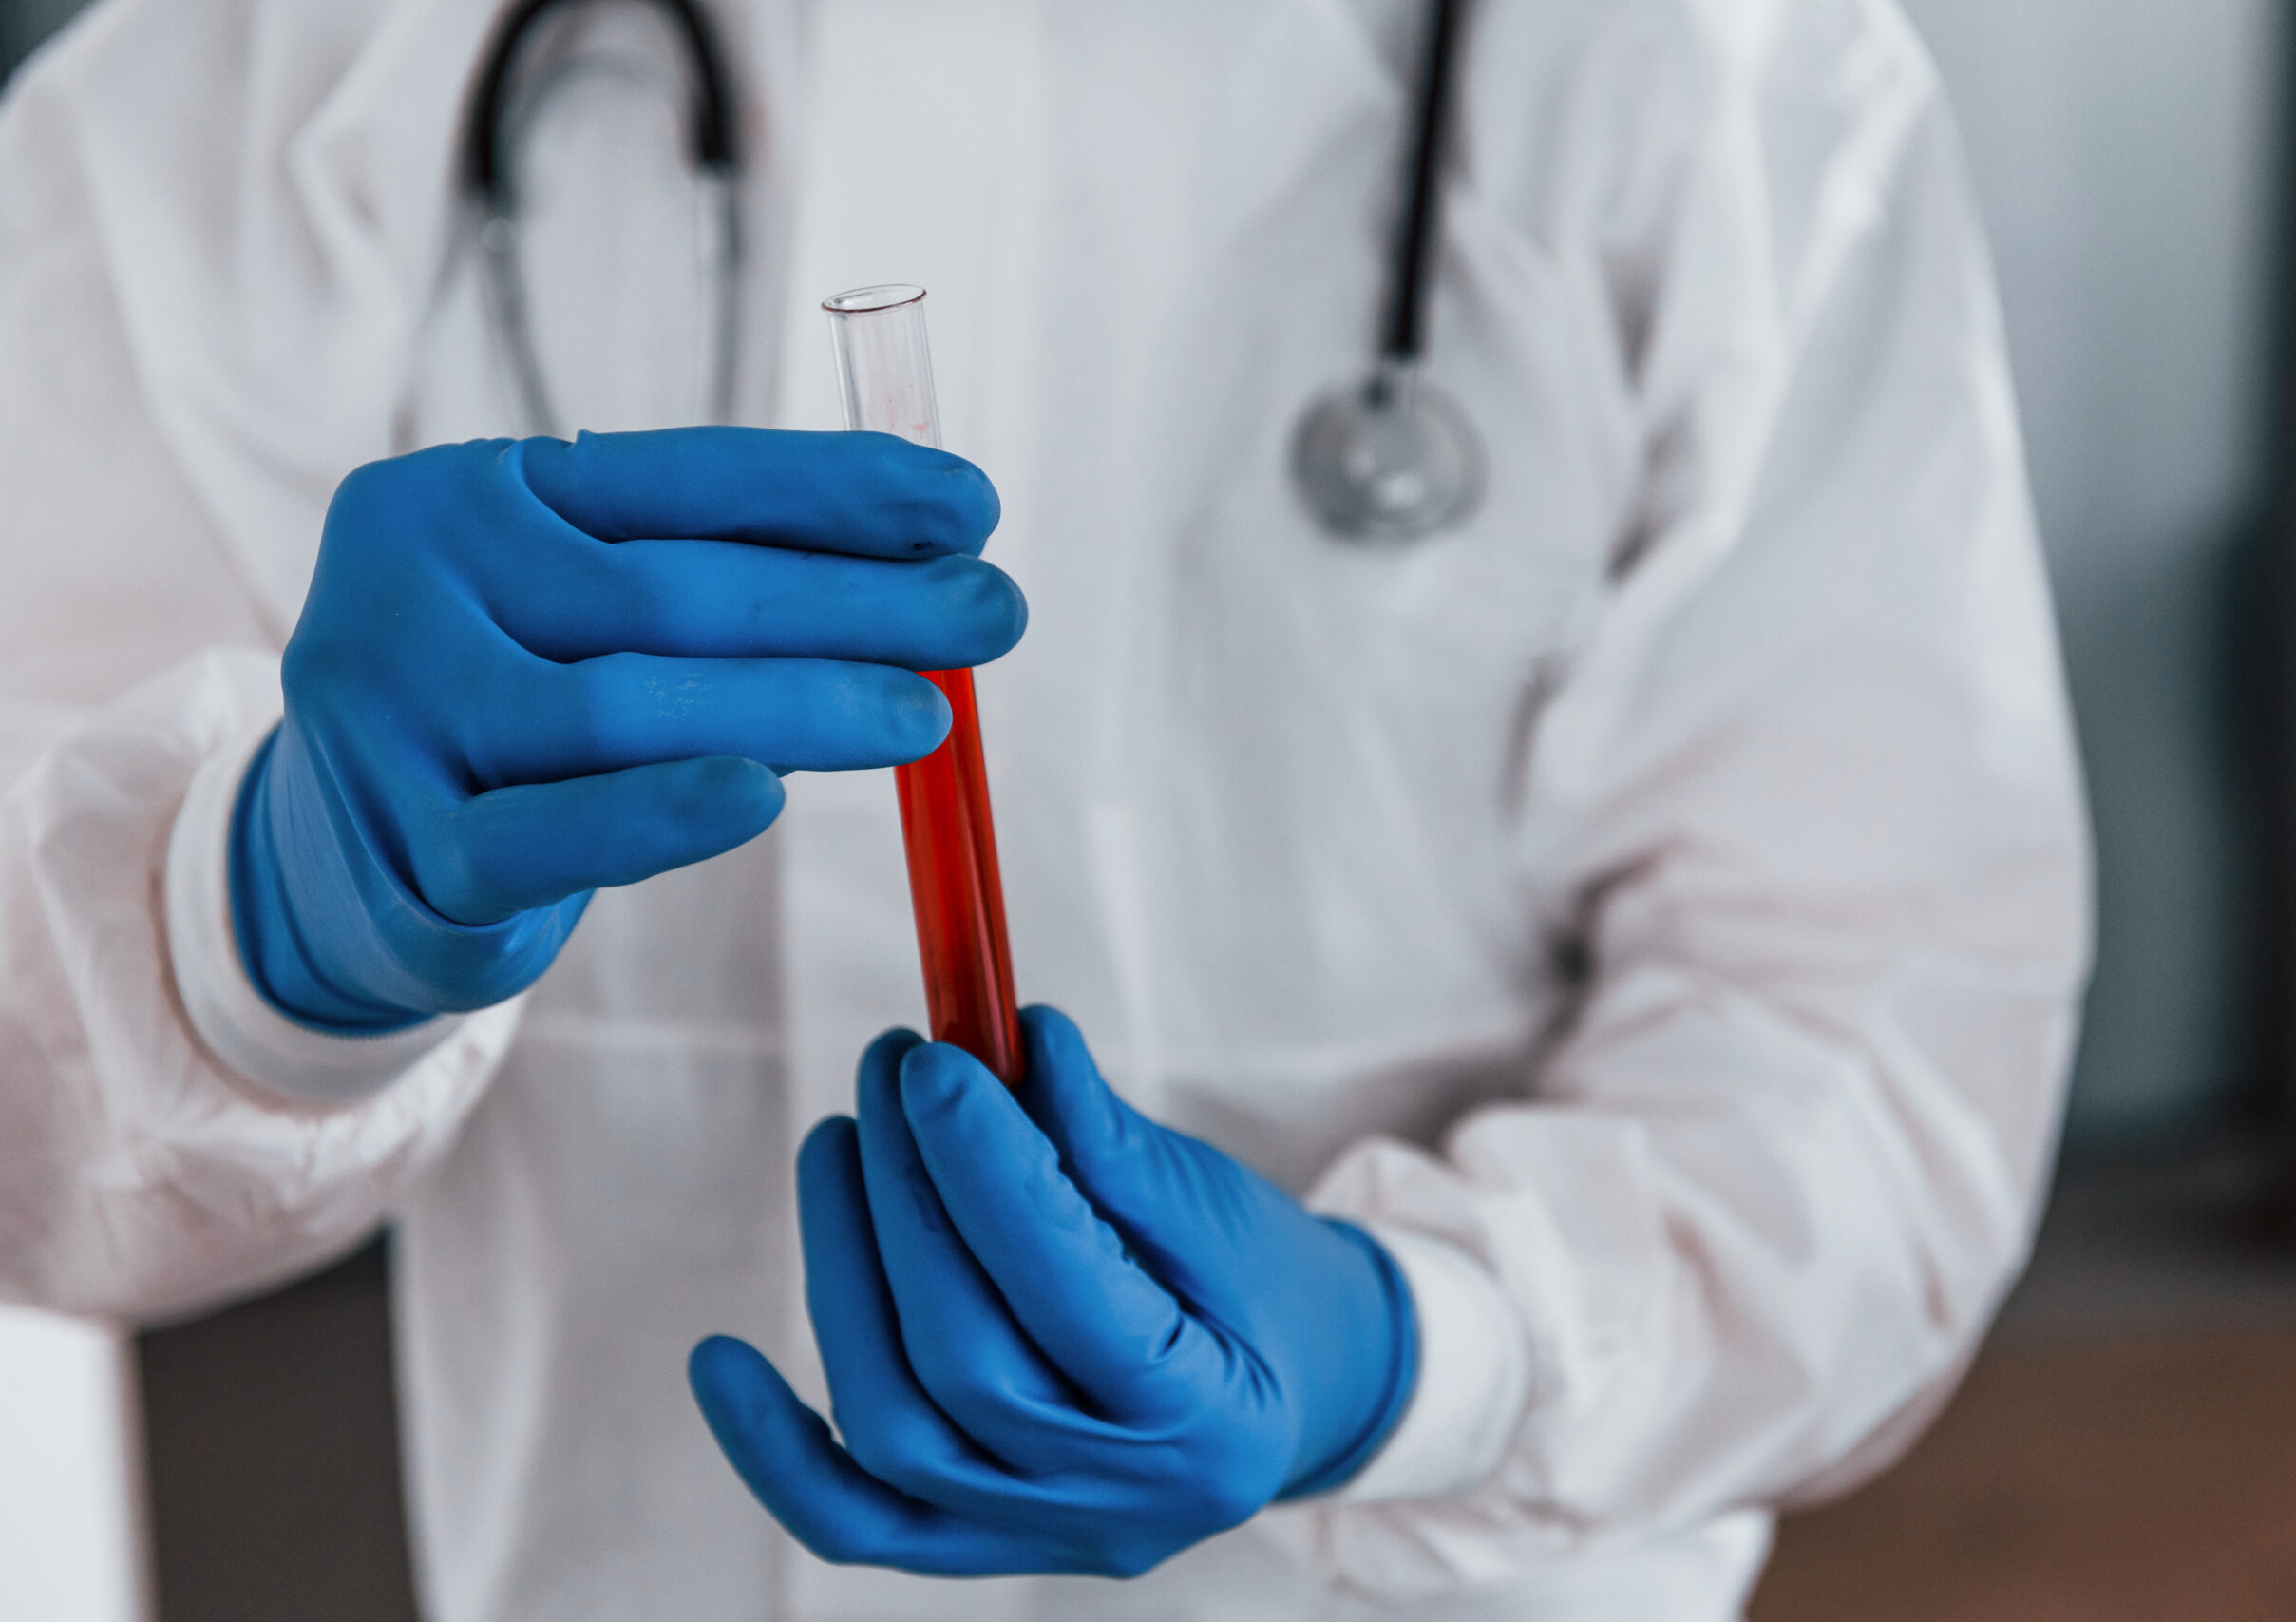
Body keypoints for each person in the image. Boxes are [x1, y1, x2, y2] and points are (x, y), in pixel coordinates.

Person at [0, 0, 2091, 1618]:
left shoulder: (1708, 70)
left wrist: (1412, 1347)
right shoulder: (278, 60)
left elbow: (1871, 1022)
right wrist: (261, 914)